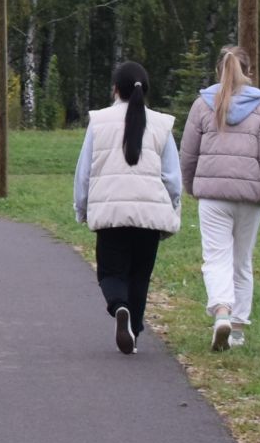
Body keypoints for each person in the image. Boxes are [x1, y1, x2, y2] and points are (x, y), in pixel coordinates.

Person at [179, 44, 260, 352]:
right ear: (250, 72)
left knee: (215, 258)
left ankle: (221, 314)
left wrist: (189, 187)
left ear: (218, 70)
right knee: (241, 262)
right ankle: (239, 331)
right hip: (250, 197)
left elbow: (187, 154)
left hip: (213, 197)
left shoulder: (202, 104)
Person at [74, 60, 182, 355]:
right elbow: (172, 177)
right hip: (150, 215)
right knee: (139, 275)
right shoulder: (162, 124)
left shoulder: (99, 122)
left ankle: (119, 307)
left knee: (111, 273)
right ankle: (133, 329)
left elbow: (84, 171)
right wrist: (172, 209)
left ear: (114, 90)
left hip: (110, 213)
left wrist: (81, 209)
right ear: (145, 90)